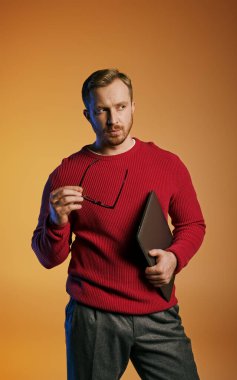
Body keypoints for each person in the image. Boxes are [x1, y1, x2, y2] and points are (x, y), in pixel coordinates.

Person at [32, 68, 206, 380]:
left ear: (133, 107)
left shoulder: (168, 164)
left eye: (121, 107)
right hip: (93, 318)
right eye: (102, 110)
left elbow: (192, 224)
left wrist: (175, 257)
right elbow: (48, 258)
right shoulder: (66, 173)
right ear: (88, 114)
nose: (113, 120)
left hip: (157, 312)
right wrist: (56, 221)